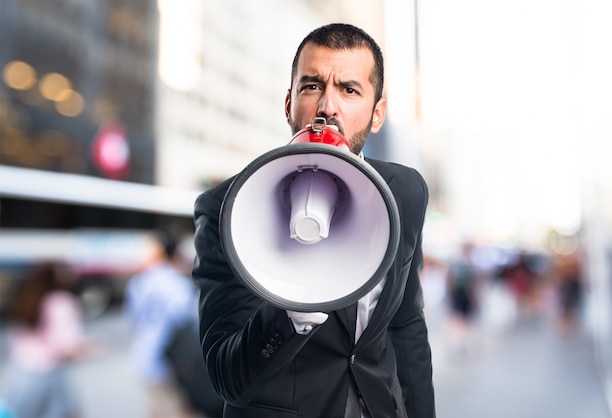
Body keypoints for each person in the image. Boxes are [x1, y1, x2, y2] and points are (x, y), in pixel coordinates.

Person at [192, 23, 435, 417]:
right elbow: (226, 377)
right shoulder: (227, 209)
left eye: (349, 90)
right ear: (288, 103)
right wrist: (291, 310)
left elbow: (406, 325)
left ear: (377, 115)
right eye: (311, 86)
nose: (327, 106)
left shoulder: (405, 193)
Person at [125, 231, 223, 418]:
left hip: (143, 356)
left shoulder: (137, 282)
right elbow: (188, 322)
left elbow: (132, 318)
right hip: (171, 361)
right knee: (179, 410)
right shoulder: (175, 282)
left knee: (158, 407)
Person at [1, 261, 97, 418]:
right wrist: (91, 348)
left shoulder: (26, 297)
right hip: (49, 374)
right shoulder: (61, 301)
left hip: (21, 372)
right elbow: (66, 346)